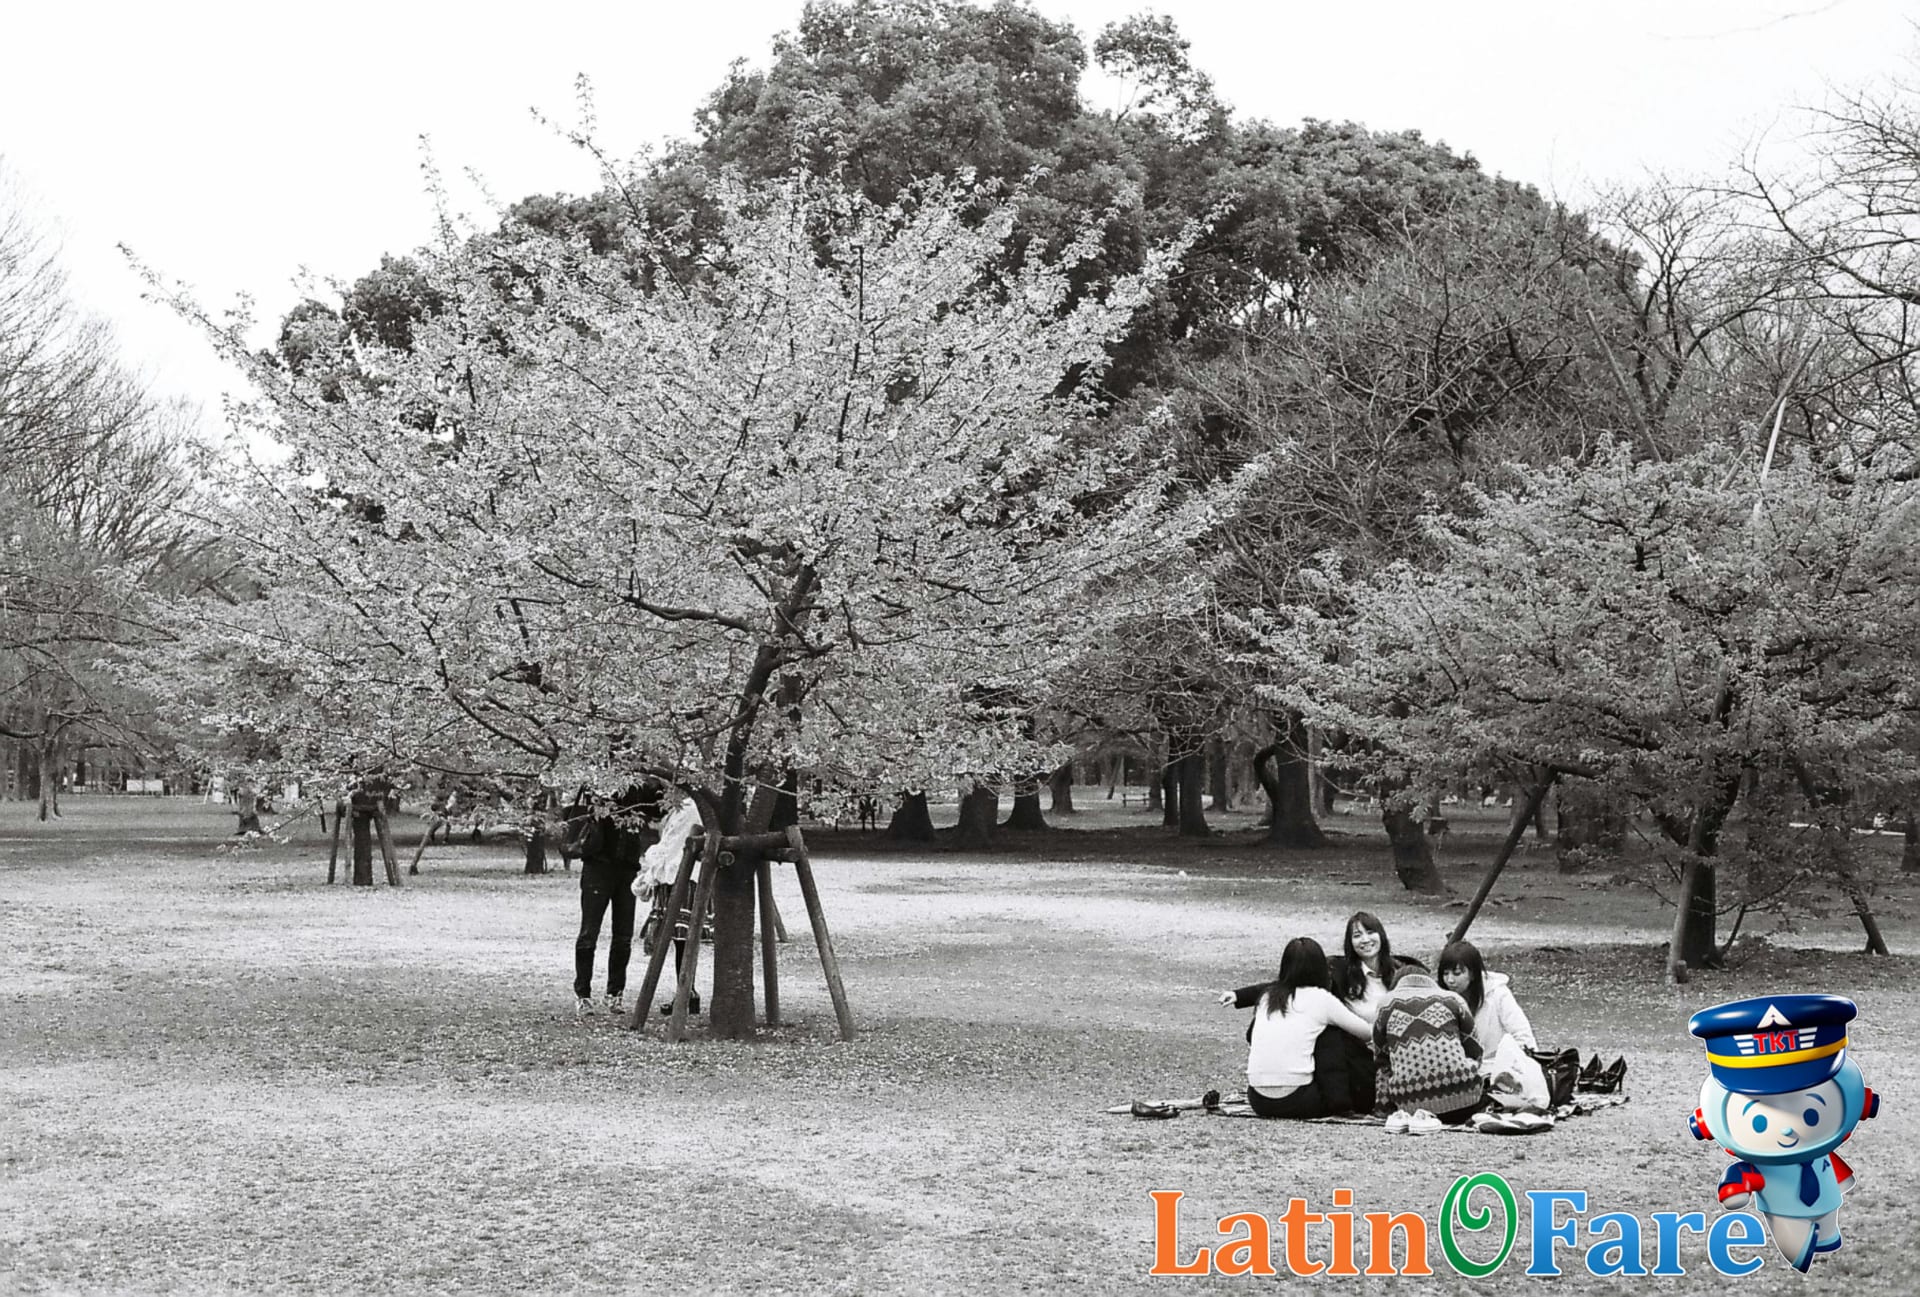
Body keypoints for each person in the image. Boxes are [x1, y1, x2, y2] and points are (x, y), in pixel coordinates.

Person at [1219, 911, 1423, 1111]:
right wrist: (1240, 995)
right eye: (1357, 935)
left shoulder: (1401, 971)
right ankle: (1342, 1100)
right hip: (1360, 1052)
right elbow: (1291, 981)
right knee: (1328, 1033)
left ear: (1382, 935)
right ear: (1349, 942)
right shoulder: (1338, 971)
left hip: (1396, 1046)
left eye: (1370, 932)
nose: (1365, 940)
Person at [1243, 937, 1376, 1118]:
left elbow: (1251, 1036)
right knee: (1330, 1033)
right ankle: (1340, 1103)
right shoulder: (1320, 998)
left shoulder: (1267, 996)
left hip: (1258, 1100)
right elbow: (1366, 1033)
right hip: (1300, 1101)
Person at [1372, 967, 1485, 1126]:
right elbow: (1475, 1050)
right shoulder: (1453, 999)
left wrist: (1382, 1109)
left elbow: (1381, 1061)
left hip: (1410, 1106)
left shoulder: (1385, 1004)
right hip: (1465, 1100)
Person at [568, 795, 643, 1019]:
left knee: (623, 935)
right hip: (597, 867)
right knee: (589, 933)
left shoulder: (641, 790)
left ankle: (615, 992)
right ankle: (583, 994)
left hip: (627, 868)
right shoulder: (600, 784)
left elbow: (656, 809)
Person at [640, 793, 704, 1015]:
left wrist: (650, 872)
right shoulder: (682, 807)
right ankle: (687, 992)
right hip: (677, 875)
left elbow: (671, 847)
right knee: (681, 939)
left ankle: (686, 993)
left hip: (681, 877)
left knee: (682, 938)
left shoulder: (689, 808)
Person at [1438, 939, 1538, 1058]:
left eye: (1457, 973)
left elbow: (1522, 1035)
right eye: (1445, 974)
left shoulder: (1498, 994)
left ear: (1473, 974)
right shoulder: (1440, 999)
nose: (1450, 980)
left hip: (1496, 1066)